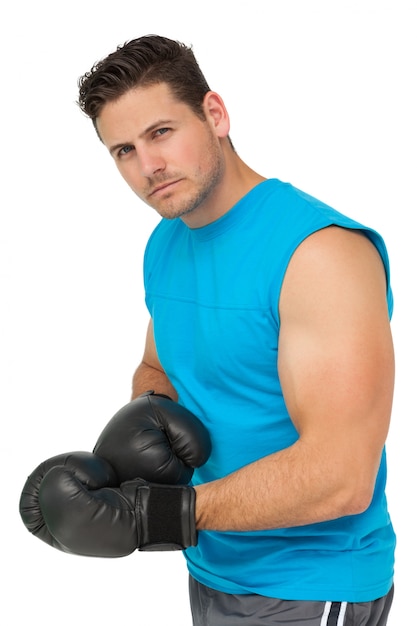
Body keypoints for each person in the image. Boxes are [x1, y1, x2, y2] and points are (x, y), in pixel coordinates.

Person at [76, 35, 396, 625]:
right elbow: (160, 362)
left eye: (161, 133)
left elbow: (343, 476)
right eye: (123, 149)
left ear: (215, 115)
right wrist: (147, 413)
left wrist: (156, 515)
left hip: (311, 581)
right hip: (212, 567)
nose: (149, 166)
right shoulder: (167, 242)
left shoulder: (317, 255)